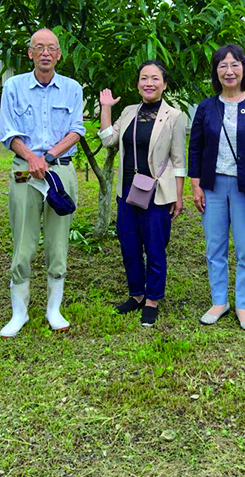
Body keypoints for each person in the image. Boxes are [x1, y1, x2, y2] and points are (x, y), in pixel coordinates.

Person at [0, 28, 85, 336]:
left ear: (59, 55)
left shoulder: (72, 88)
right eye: (39, 47)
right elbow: (8, 132)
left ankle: (53, 308)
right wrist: (33, 159)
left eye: (52, 48)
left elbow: (76, 130)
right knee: (23, 239)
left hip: (59, 169)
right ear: (30, 53)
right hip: (24, 170)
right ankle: (18, 312)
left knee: (58, 241)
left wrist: (46, 157)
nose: (46, 53)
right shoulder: (13, 86)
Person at [189, 44, 245, 332]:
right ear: (216, 71)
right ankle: (219, 301)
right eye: (223, 65)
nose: (229, 70)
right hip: (213, 186)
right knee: (215, 247)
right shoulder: (206, 107)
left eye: (235, 64)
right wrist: (196, 184)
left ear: (243, 69)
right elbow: (196, 146)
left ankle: (243, 304)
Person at [98, 61, 187, 327]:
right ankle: (136, 295)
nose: (149, 83)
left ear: (164, 84)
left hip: (157, 192)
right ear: (138, 83)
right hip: (127, 191)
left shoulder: (174, 115)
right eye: (144, 78)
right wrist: (106, 108)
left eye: (155, 78)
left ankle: (153, 299)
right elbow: (107, 139)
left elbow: (178, 160)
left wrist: (178, 195)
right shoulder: (127, 112)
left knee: (155, 247)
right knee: (129, 245)